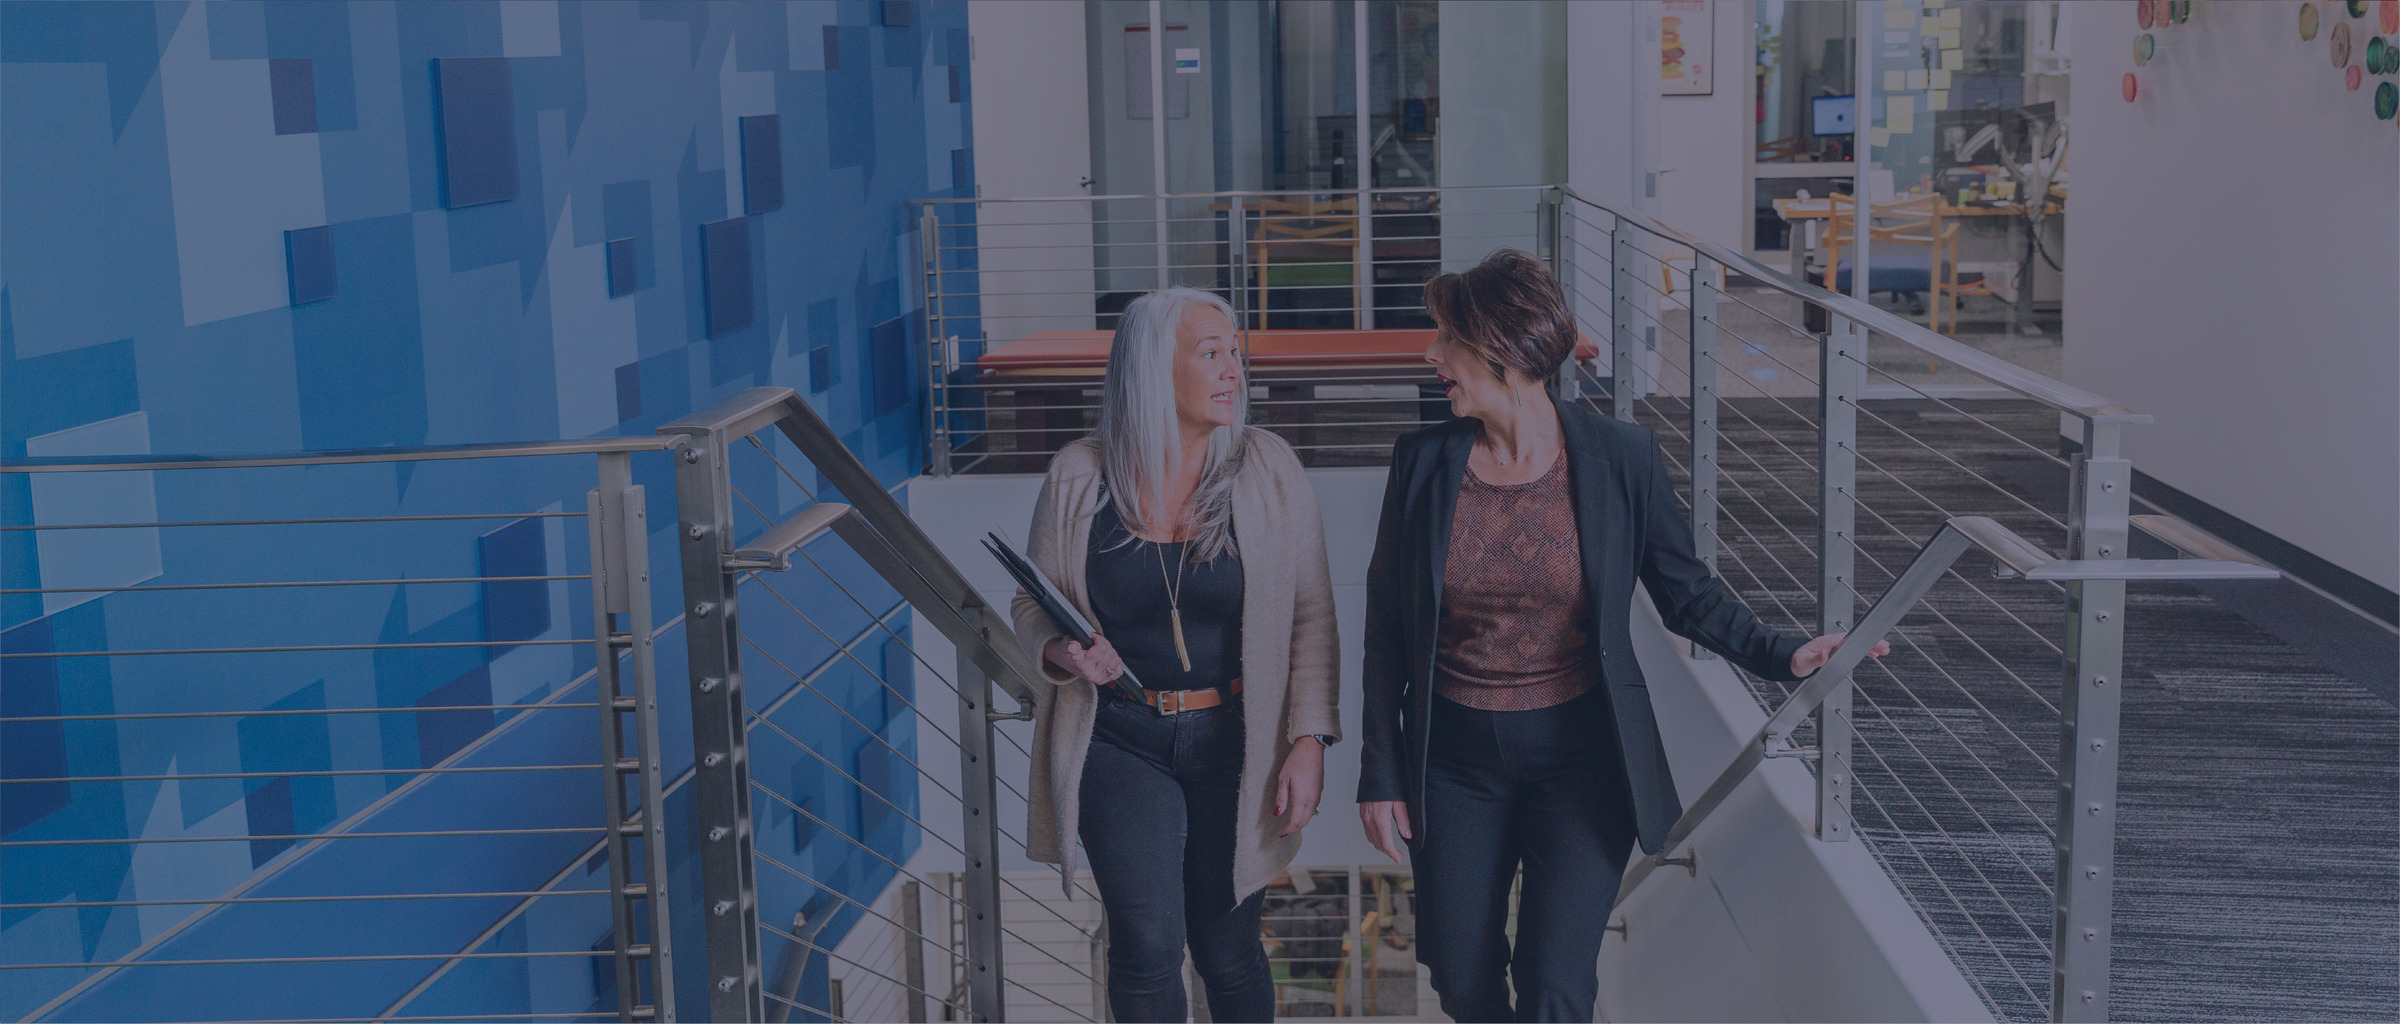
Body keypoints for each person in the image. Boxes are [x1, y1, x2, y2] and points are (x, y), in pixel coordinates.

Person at [1354, 250, 1886, 1023]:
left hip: (1583, 759)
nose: (1432, 356)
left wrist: (1783, 652)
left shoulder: (1619, 459)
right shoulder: (1423, 464)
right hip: (1453, 762)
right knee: (1460, 973)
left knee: (1555, 984)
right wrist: (1381, 770)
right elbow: (1386, 630)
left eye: (1448, 340)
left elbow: (1685, 593)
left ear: (1501, 353)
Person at [1012, 288, 1341, 1023]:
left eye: (1234, 352)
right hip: (1123, 738)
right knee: (1145, 946)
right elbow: (1030, 604)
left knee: (1227, 952)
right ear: (1152, 369)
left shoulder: (1267, 468)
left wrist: (1309, 738)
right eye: (1211, 353)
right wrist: (1061, 649)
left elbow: (1311, 615)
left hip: (1237, 742)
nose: (1233, 370)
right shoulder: (1078, 475)